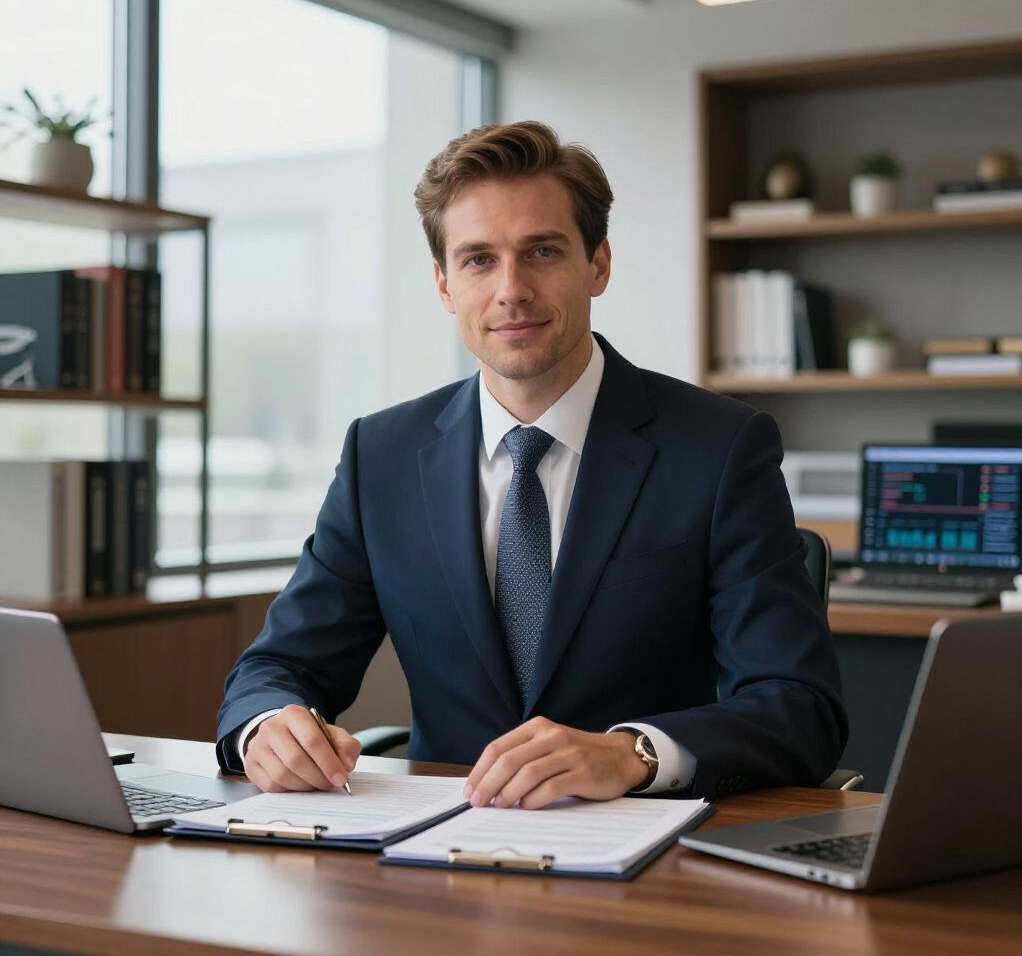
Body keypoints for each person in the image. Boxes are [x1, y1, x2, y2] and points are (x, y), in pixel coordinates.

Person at [216, 121, 847, 808]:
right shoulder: (382, 456)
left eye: (542, 251)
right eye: (479, 260)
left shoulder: (719, 448)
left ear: (598, 264)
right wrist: (267, 727)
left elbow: (800, 705)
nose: (510, 289)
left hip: (645, 855)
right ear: (444, 284)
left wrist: (633, 752)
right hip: (436, 850)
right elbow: (279, 665)